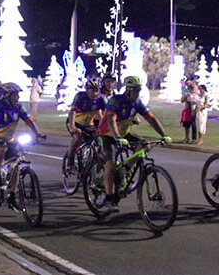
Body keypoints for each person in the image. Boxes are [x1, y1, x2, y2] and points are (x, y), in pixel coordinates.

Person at [96, 76, 172, 212]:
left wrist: (164, 135)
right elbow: (111, 120)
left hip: (123, 134)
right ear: (128, 90)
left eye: (139, 90)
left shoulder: (137, 102)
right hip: (107, 134)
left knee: (144, 145)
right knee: (111, 163)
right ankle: (108, 197)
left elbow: (151, 118)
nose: (138, 93)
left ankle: (125, 168)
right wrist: (117, 137)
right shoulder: (116, 101)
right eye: (136, 90)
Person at [0, 82, 44, 211]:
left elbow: (29, 121)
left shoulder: (19, 108)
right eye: (15, 95)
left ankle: (11, 195)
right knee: (2, 147)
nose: (18, 98)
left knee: (16, 165)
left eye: (18, 95)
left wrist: (38, 134)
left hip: (8, 139)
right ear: (6, 97)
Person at [66, 77, 106, 169]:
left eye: (97, 90)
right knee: (77, 138)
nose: (95, 93)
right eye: (92, 90)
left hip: (89, 124)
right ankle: (70, 157)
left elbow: (107, 113)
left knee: (99, 140)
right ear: (87, 90)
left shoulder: (101, 99)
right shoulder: (80, 96)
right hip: (75, 122)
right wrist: (73, 127)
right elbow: (73, 112)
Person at [181, 78, 199, 143]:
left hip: (193, 108)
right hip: (187, 108)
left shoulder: (195, 89)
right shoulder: (185, 91)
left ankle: (194, 139)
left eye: (189, 83)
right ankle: (186, 138)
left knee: (193, 123)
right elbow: (182, 100)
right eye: (187, 83)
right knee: (186, 124)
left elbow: (197, 99)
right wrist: (186, 96)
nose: (188, 84)